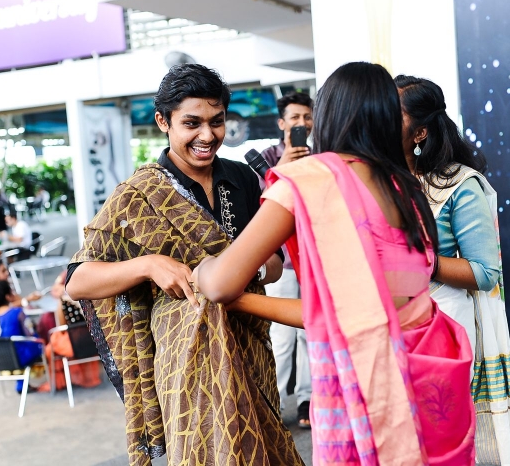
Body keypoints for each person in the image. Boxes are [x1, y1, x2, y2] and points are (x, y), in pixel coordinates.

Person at [194, 62, 476, 465]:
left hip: (360, 395)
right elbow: (341, 315)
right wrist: (243, 302)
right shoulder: (406, 188)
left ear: (325, 114)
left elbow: (220, 283)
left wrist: (203, 271)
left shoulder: (307, 180)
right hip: (428, 387)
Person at [65, 64, 302, 465]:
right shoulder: (137, 196)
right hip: (185, 363)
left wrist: (245, 271)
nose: (207, 136)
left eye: (217, 122)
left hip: (249, 344)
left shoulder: (242, 179)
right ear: (163, 121)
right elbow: (78, 281)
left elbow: (275, 262)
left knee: (262, 446)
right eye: (191, 123)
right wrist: (147, 265)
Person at [395, 75, 510, 465]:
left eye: (392, 113)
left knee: (440, 435)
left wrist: (418, 260)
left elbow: (486, 271)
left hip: (443, 323)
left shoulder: (455, 184)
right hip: (388, 324)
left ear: (419, 132)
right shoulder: (375, 181)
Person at [260, 90, 314, 429]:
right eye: (294, 118)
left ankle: (309, 402)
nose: (301, 123)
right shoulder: (265, 157)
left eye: (306, 117)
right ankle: (275, 406)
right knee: (280, 336)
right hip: (281, 262)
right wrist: (282, 168)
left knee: (311, 334)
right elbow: (261, 207)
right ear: (282, 123)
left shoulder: (321, 156)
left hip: (312, 260)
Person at [36, 270, 102, 393]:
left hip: (75, 344)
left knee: (53, 341)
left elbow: (61, 326)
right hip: (94, 342)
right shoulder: (93, 298)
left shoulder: (64, 303)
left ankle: (60, 381)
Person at [0, 280, 43, 393]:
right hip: (19, 358)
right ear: (7, 296)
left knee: (13, 347)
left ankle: (21, 384)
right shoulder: (17, 313)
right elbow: (30, 334)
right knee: (38, 341)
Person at [0, 260, 42, 336]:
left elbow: (17, 299)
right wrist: (28, 299)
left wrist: (25, 299)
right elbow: (5, 309)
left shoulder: (4, 286)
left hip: (2, 324)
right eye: (3, 271)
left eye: (6, 270)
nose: (7, 273)